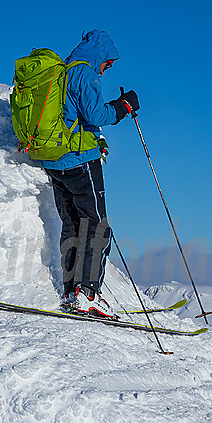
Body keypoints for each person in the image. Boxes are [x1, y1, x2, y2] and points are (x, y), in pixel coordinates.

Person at [42, 30, 139, 318]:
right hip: (81, 160)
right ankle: (88, 293)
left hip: (56, 161)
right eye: (108, 61)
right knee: (97, 225)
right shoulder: (85, 73)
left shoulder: (64, 71)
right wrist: (124, 107)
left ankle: (72, 292)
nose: (108, 67)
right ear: (101, 54)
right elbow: (96, 116)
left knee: (72, 223)